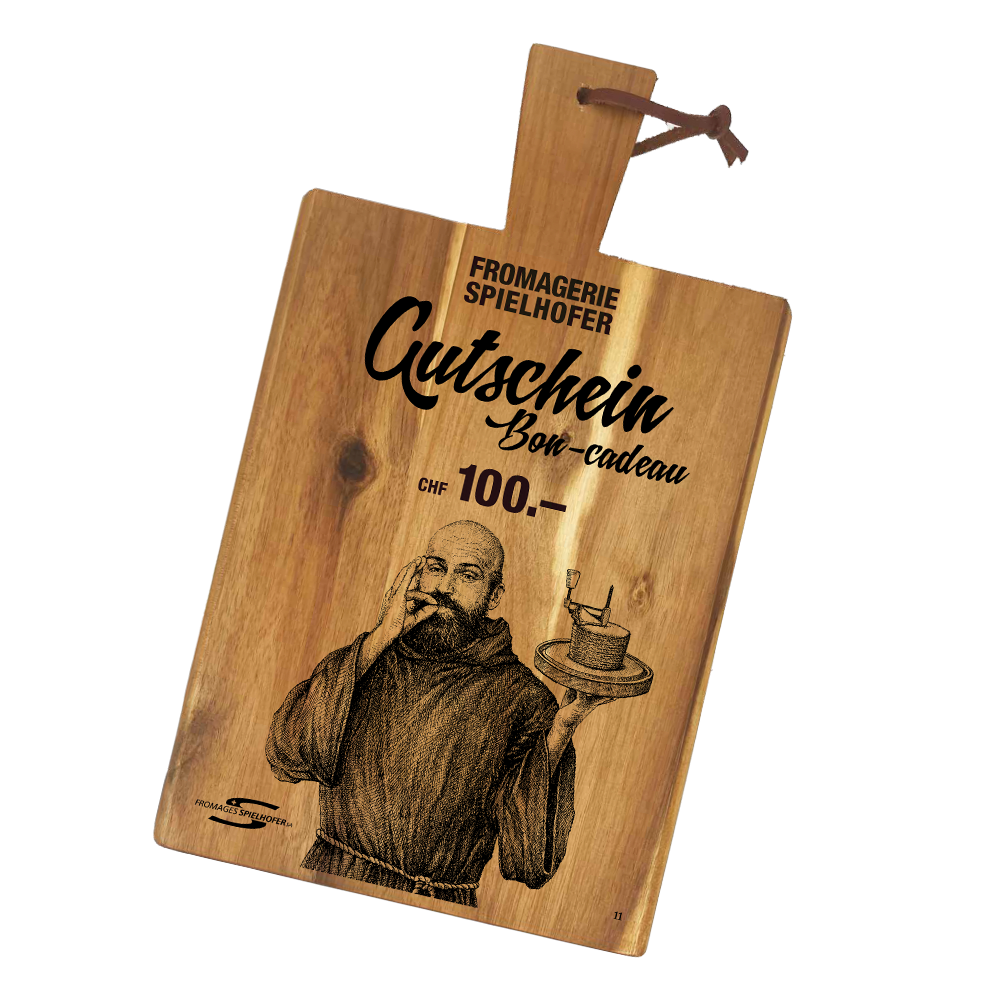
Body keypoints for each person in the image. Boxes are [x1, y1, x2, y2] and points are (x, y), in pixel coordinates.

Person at [265, 520, 612, 906]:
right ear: (417, 574)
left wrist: (562, 727)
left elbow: (526, 860)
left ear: (494, 595)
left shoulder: (524, 697)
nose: (445, 587)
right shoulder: (367, 660)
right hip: (329, 881)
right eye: (436, 567)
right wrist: (380, 637)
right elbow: (287, 758)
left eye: (468, 574)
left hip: (439, 906)